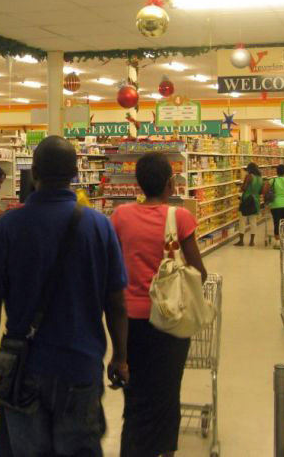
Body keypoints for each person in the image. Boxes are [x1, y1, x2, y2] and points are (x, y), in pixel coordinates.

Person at [0, 136, 129, 457]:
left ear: (34, 173)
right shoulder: (99, 226)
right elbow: (116, 301)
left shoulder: (9, 226)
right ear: (75, 173)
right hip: (80, 366)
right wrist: (120, 355)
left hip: (24, 368)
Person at [111, 151, 207, 457]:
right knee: (166, 393)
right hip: (169, 320)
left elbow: (114, 265)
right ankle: (165, 451)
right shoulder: (180, 218)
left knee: (135, 395)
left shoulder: (120, 216)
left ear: (138, 183)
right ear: (170, 184)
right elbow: (199, 272)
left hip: (129, 322)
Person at [263, 163, 284, 248]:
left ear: (276, 172)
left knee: (277, 222)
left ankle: (278, 242)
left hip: (276, 204)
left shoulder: (272, 181)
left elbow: (264, 191)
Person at [235, 162, 263, 247]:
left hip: (247, 200)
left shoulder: (249, 176)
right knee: (253, 221)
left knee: (242, 221)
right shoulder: (260, 178)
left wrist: (240, 187)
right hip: (255, 201)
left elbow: (244, 188)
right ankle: (252, 242)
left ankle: (241, 241)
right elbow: (260, 191)